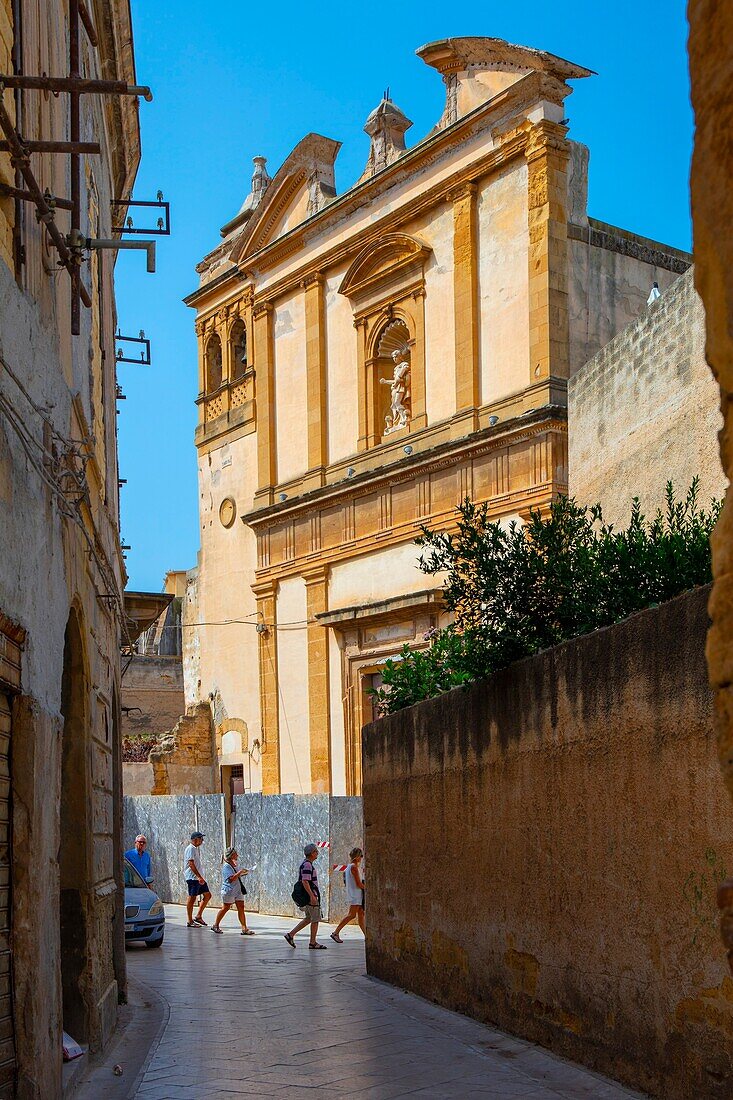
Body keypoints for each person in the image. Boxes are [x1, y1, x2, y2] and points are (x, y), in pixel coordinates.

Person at [284, 843, 326, 950]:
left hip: (309, 896)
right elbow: (305, 881)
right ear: (312, 853)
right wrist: (312, 896)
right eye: (316, 851)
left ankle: (291, 935)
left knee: (308, 918)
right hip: (310, 897)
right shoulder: (307, 865)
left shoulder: (306, 864)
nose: (317, 853)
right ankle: (312, 942)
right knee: (315, 919)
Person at [211, 847, 255, 935]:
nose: (237, 855)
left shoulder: (235, 864)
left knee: (241, 907)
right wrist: (239, 872)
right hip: (229, 890)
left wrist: (244, 872)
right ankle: (215, 925)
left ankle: (244, 928)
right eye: (235, 853)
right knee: (226, 907)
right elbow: (231, 879)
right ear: (231, 855)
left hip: (237, 889)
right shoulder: (226, 866)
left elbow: (236, 876)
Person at [330, 848, 365, 943]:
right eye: (361, 856)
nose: (361, 858)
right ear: (357, 856)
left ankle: (367, 936)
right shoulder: (353, 867)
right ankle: (336, 932)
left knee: (361, 914)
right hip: (356, 894)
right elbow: (359, 884)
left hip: (355, 894)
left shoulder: (349, 867)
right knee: (352, 915)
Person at [184, 831, 211, 928]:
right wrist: (199, 877)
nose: (202, 841)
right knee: (192, 898)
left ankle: (198, 916)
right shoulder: (190, 849)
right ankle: (190, 921)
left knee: (207, 895)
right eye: (201, 839)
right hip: (193, 878)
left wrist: (200, 877)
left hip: (198, 878)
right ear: (195, 839)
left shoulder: (194, 849)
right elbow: (191, 864)